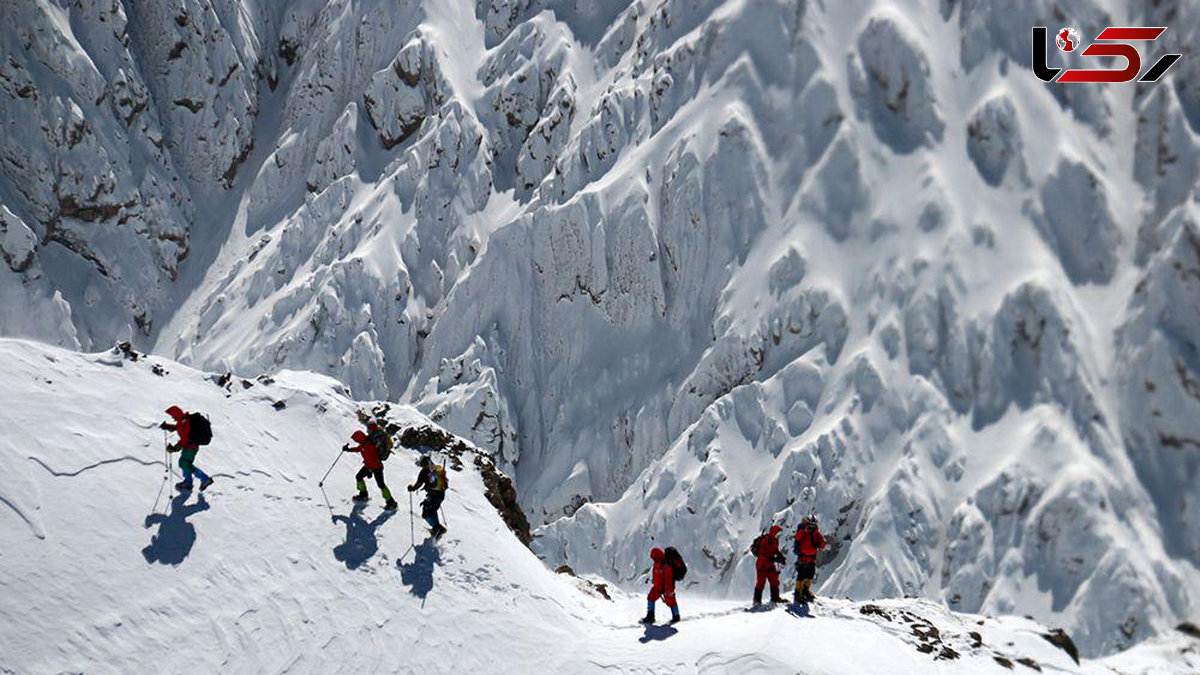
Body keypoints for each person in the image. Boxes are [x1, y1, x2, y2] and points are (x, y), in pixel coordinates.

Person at [160, 406, 213, 491]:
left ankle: (204, 479)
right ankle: (188, 482)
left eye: (173, 415)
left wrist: (174, 448)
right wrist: (168, 427)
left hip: (191, 447)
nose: (172, 417)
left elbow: (185, 438)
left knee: (184, 463)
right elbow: (179, 428)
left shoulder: (185, 422)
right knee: (184, 463)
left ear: (176, 414)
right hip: (189, 447)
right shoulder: (182, 421)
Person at [344, 429, 398, 510]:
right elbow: (359, 448)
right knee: (359, 477)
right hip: (370, 466)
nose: (356, 441)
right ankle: (363, 494)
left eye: (357, 440)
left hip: (376, 467)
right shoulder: (364, 443)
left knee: (381, 484)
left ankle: (391, 503)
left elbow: (373, 459)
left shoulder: (369, 446)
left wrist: (370, 471)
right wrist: (348, 449)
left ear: (360, 438)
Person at [408, 455, 447, 538]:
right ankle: (437, 528)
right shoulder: (437, 468)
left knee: (426, 514)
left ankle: (438, 530)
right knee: (432, 510)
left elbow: (419, 483)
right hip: (441, 494)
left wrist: (412, 488)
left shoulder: (424, 472)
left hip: (433, 495)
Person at [642, 547, 681, 625]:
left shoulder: (666, 565)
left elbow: (669, 578)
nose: (653, 559)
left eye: (653, 557)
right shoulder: (657, 563)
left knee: (671, 602)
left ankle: (676, 616)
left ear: (657, 556)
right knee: (651, 597)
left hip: (666, 588)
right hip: (657, 587)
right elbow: (657, 575)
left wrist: (669, 590)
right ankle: (650, 616)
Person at [793, 516, 826, 604]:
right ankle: (798, 593)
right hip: (803, 558)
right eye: (810, 525)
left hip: (811, 559)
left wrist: (820, 542)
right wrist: (804, 531)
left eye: (813, 525)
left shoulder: (817, 534)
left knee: (809, 576)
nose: (812, 527)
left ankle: (805, 591)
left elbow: (823, 545)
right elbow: (796, 538)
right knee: (801, 576)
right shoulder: (803, 532)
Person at [752, 525, 786, 605]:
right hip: (762, 565)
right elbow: (762, 554)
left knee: (774, 581)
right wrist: (774, 559)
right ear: (774, 532)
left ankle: (775, 598)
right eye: (778, 533)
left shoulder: (775, 540)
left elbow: (775, 551)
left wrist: (780, 557)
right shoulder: (766, 541)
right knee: (761, 583)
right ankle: (757, 601)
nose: (779, 535)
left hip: (769, 565)